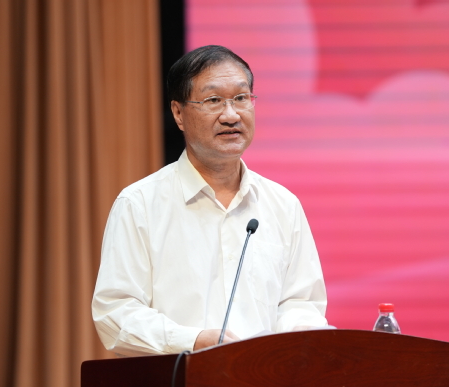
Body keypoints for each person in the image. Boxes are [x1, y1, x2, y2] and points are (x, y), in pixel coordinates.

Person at [92, 45, 328, 356]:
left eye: (241, 98)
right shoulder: (140, 205)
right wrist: (192, 341)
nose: (231, 115)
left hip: (266, 381)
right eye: (213, 100)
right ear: (178, 113)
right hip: (180, 380)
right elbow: (116, 312)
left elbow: (301, 304)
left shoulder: (282, 205)